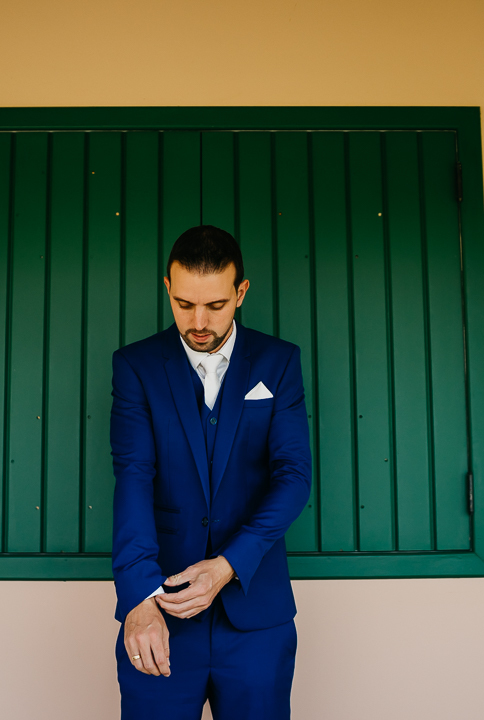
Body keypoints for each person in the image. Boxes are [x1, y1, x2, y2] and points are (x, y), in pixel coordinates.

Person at [110, 225, 313, 720]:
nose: (198, 322)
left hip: (255, 616)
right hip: (162, 611)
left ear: (241, 292)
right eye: (184, 304)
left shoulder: (279, 362)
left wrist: (227, 565)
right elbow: (133, 477)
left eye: (216, 305)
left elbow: (293, 476)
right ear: (167, 288)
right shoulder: (135, 366)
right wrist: (139, 597)